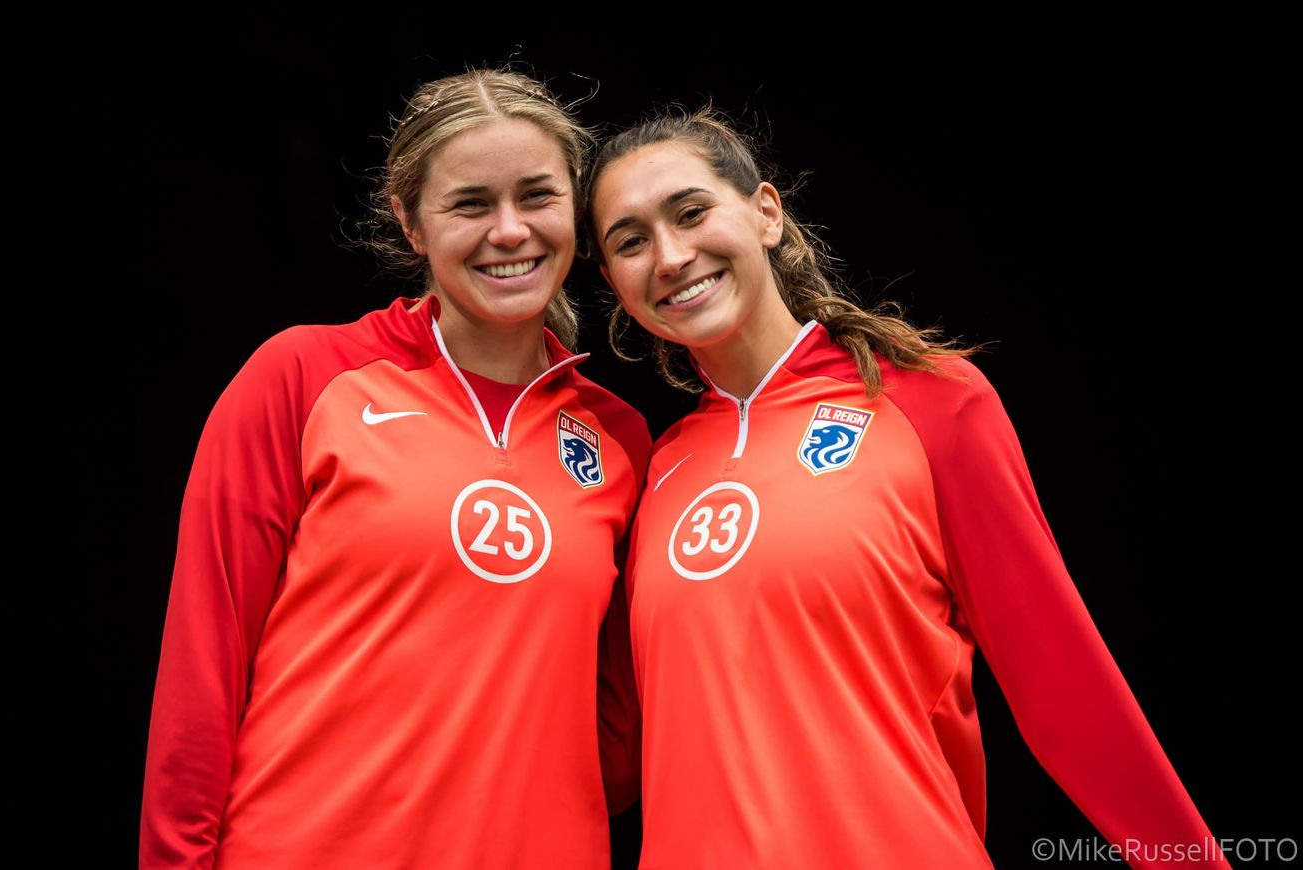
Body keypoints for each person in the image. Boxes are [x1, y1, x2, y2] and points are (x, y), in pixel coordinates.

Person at [586, 108, 1229, 869]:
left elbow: (1064, 687)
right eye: (631, 241)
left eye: (692, 213)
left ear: (765, 213)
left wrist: (1190, 862)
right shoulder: (654, 471)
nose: (669, 255)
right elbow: (609, 755)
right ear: (611, 281)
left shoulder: (931, 405)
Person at [141, 69, 649, 869]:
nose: (509, 231)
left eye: (537, 196)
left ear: (576, 215)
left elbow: (626, 720)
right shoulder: (304, 378)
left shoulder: (620, 440)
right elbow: (203, 666)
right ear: (410, 222)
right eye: (471, 204)